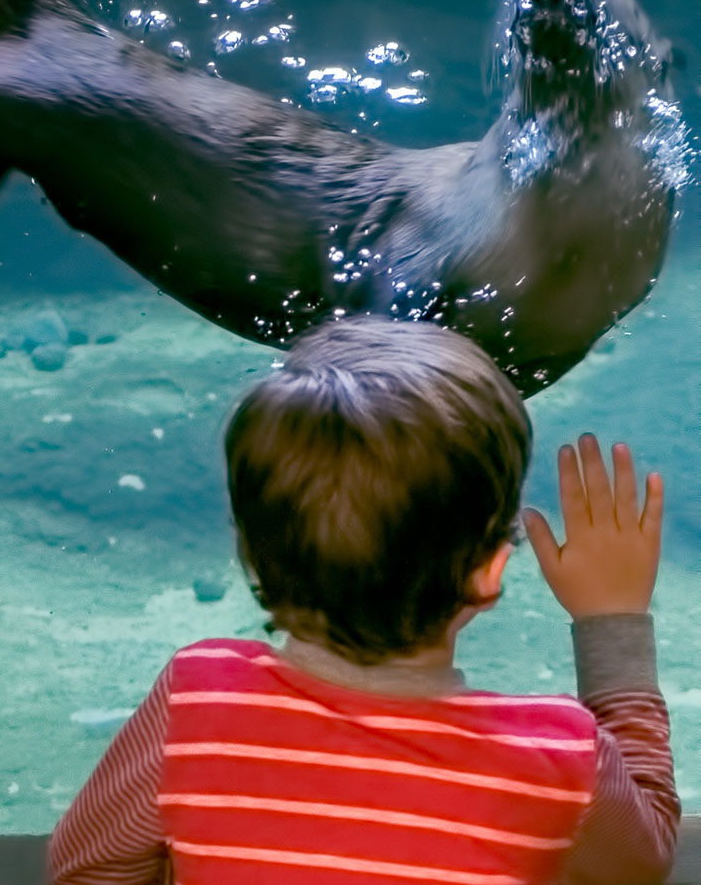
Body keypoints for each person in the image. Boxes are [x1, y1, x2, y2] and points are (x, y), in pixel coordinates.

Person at [48, 316, 678, 885]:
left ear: (255, 553)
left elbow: (86, 868)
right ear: (491, 570)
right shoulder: (559, 757)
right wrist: (611, 620)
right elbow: (641, 862)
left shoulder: (199, 697)